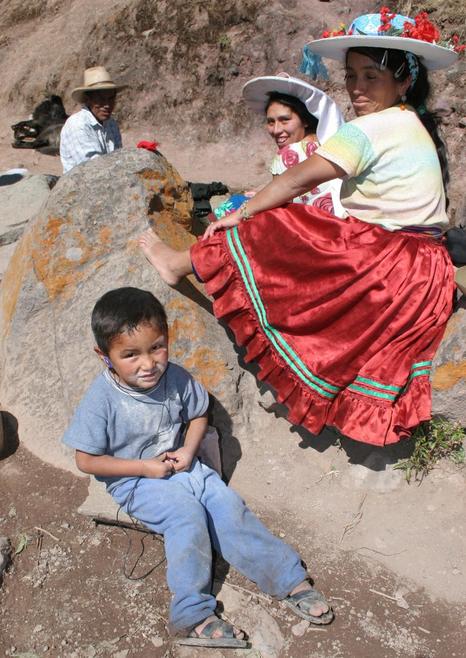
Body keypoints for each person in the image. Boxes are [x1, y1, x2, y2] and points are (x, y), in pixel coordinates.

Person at [139, 9, 463, 448]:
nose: (357, 88)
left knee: (276, 225)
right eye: (351, 76)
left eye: (371, 76)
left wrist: (243, 213)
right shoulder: (411, 122)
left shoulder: (370, 128)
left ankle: (179, 263)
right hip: (426, 270)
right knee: (304, 227)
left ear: (404, 80)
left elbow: (295, 180)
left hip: (388, 262)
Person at [62, 287, 333, 647]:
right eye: (130, 355)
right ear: (105, 356)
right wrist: (144, 468)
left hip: (182, 465)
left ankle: (287, 578)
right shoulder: (102, 399)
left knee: (227, 506)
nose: (148, 363)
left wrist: (189, 452)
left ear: (167, 338)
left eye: (156, 347)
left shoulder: (174, 376)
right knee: (186, 517)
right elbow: (86, 460)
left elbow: (198, 413)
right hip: (135, 480)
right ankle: (192, 614)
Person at [213, 74, 344, 218]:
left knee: (232, 205)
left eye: (285, 120)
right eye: (271, 122)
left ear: (305, 119)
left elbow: (279, 201)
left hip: (305, 224)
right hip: (337, 220)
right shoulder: (328, 143)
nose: (276, 130)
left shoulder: (287, 155)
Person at [60, 66, 125, 173]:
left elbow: (118, 156)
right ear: (88, 99)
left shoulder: (111, 123)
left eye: (111, 99)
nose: (107, 105)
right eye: (101, 99)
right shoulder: (78, 124)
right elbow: (93, 167)